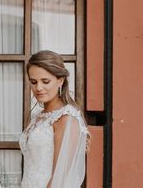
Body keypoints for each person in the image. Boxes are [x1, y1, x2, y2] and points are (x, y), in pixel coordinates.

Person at [19, 50, 89, 188]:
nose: (38, 88)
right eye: (33, 82)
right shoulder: (37, 118)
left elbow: (60, 178)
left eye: (45, 81)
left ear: (60, 80)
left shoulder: (66, 118)